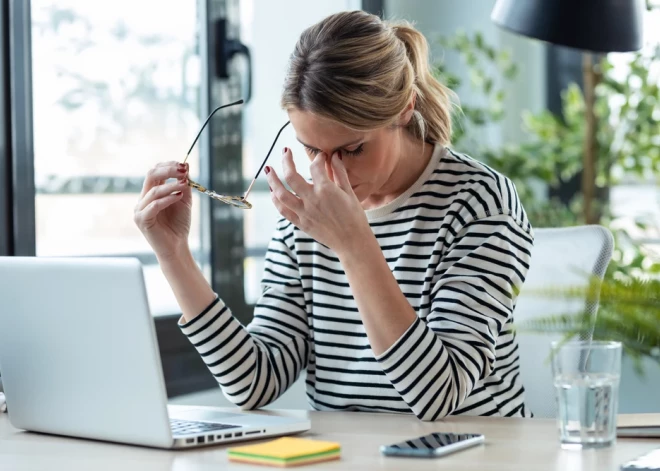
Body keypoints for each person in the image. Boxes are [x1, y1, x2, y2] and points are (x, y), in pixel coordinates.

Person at [134, 10, 533, 421]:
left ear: (404, 108)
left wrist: (354, 245)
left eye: (352, 149)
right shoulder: (308, 215)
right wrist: (174, 257)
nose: (329, 173)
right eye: (311, 150)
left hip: (469, 455)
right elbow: (253, 382)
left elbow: (438, 394)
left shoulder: (480, 203)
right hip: (346, 456)